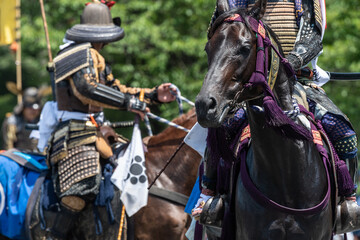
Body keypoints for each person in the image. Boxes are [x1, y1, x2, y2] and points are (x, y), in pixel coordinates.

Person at [191, 0, 359, 235]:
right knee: (223, 128)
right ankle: (212, 197)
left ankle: (347, 202)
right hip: (251, 85)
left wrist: (288, 63)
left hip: (297, 80)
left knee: (342, 131)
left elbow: (312, 38)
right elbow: (219, 35)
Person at [38, 1, 177, 239]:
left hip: (96, 129)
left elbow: (117, 89)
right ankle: (53, 234)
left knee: (135, 162)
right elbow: (87, 89)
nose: (105, 41)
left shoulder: (95, 57)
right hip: (75, 131)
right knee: (81, 185)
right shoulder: (78, 54)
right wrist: (130, 104)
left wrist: (153, 95)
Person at [1, 86, 49, 151]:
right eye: (29, 108)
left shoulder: (43, 122)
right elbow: (8, 146)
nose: (33, 111)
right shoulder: (12, 121)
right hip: (17, 157)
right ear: (23, 108)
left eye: (36, 109)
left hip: (38, 158)